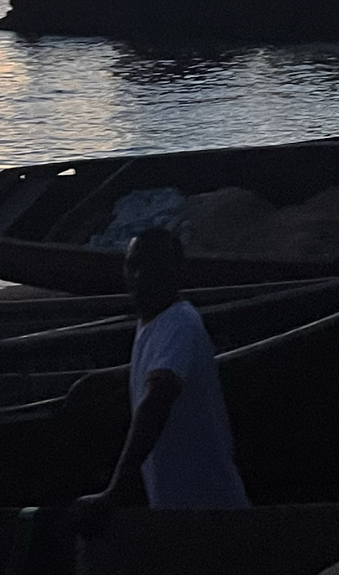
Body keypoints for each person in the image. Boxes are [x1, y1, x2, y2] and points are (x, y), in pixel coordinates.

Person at [73, 227, 250, 533]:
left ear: (174, 272)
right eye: (133, 265)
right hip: (178, 506)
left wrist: (115, 491)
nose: (139, 276)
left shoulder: (179, 322)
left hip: (205, 508)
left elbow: (157, 400)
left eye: (151, 267)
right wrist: (104, 379)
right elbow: (155, 369)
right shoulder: (153, 321)